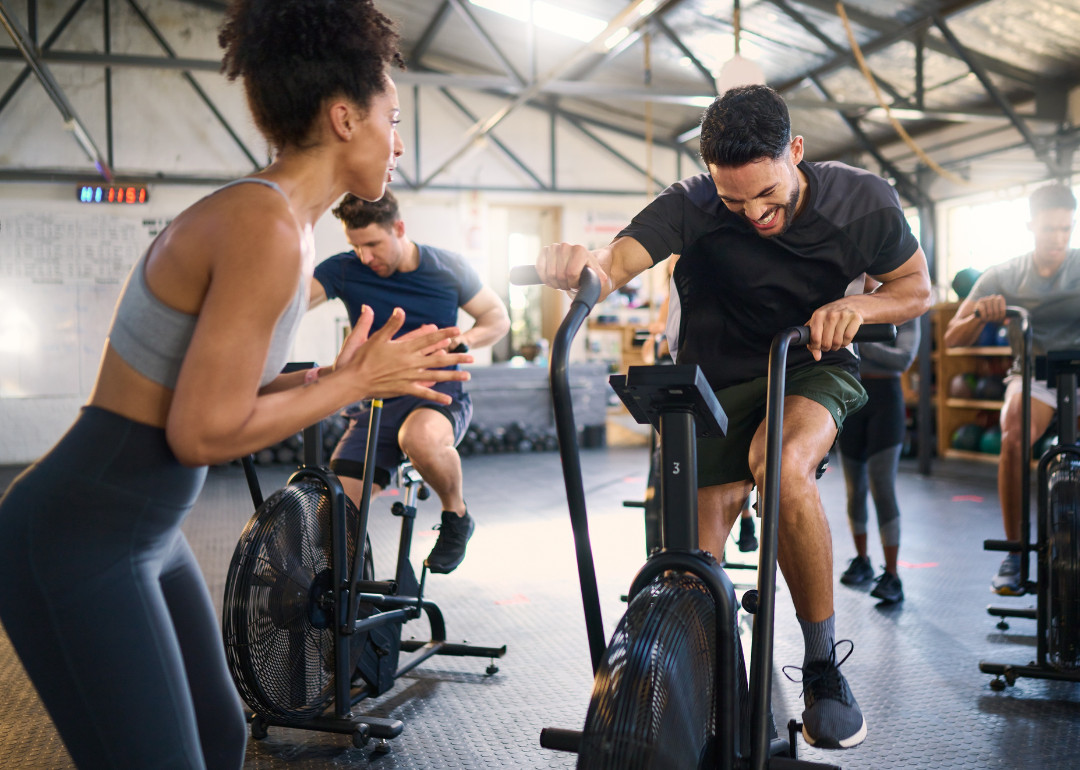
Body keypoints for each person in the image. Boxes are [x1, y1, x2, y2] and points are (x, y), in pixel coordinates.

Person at [0, 3, 474, 769]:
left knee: (222, 737)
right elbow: (202, 433)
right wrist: (361, 379)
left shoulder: (281, 220)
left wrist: (331, 376)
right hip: (81, 533)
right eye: (393, 115)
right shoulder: (267, 228)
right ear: (344, 116)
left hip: (141, 529)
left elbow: (218, 396)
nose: (400, 140)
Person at [535, 84, 930, 750]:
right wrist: (581, 264)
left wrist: (858, 311)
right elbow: (616, 261)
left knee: (779, 467)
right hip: (712, 379)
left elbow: (915, 288)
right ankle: (711, 692)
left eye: (768, 195)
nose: (753, 215)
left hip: (804, 361)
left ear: (795, 152)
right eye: (733, 200)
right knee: (692, 565)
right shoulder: (691, 203)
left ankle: (822, 665)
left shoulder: (861, 200)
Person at [309, 190, 510, 573]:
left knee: (416, 439)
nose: (366, 257)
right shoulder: (345, 269)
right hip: (378, 397)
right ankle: (355, 596)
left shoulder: (449, 267)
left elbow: (497, 318)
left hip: (436, 391)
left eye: (373, 244)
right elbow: (291, 302)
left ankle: (456, 516)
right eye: (356, 246)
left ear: (398, 228)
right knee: (334, 514)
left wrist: (463, 340)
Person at [944, 183, 1080, 596]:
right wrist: (983, 314)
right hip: (1034, 376)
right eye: (1049, 229)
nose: (1058, 238)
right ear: (1030, 226)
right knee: (1013, 436)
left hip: (1079, 373)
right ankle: (1016, 553)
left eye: (1065, 229)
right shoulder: (1003, 274)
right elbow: (953, 336)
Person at [650, 255, 758, 552]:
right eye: (672, 261)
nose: (675, 263)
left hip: (729, 384)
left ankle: (745, 517)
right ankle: (699, 567)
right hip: (693, 385)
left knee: (740, 456)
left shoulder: (725, 285)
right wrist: (654, 340)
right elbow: (661, 336)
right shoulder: (673, 293)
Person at [838, 275, 921, 604]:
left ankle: (892, 575)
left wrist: (856, 338)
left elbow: (902, 359)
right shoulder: (849, 302)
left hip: (886, 402)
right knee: (853, 488)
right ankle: (862, 561)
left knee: (881, 486)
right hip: (852, 401)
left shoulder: (906, 307)